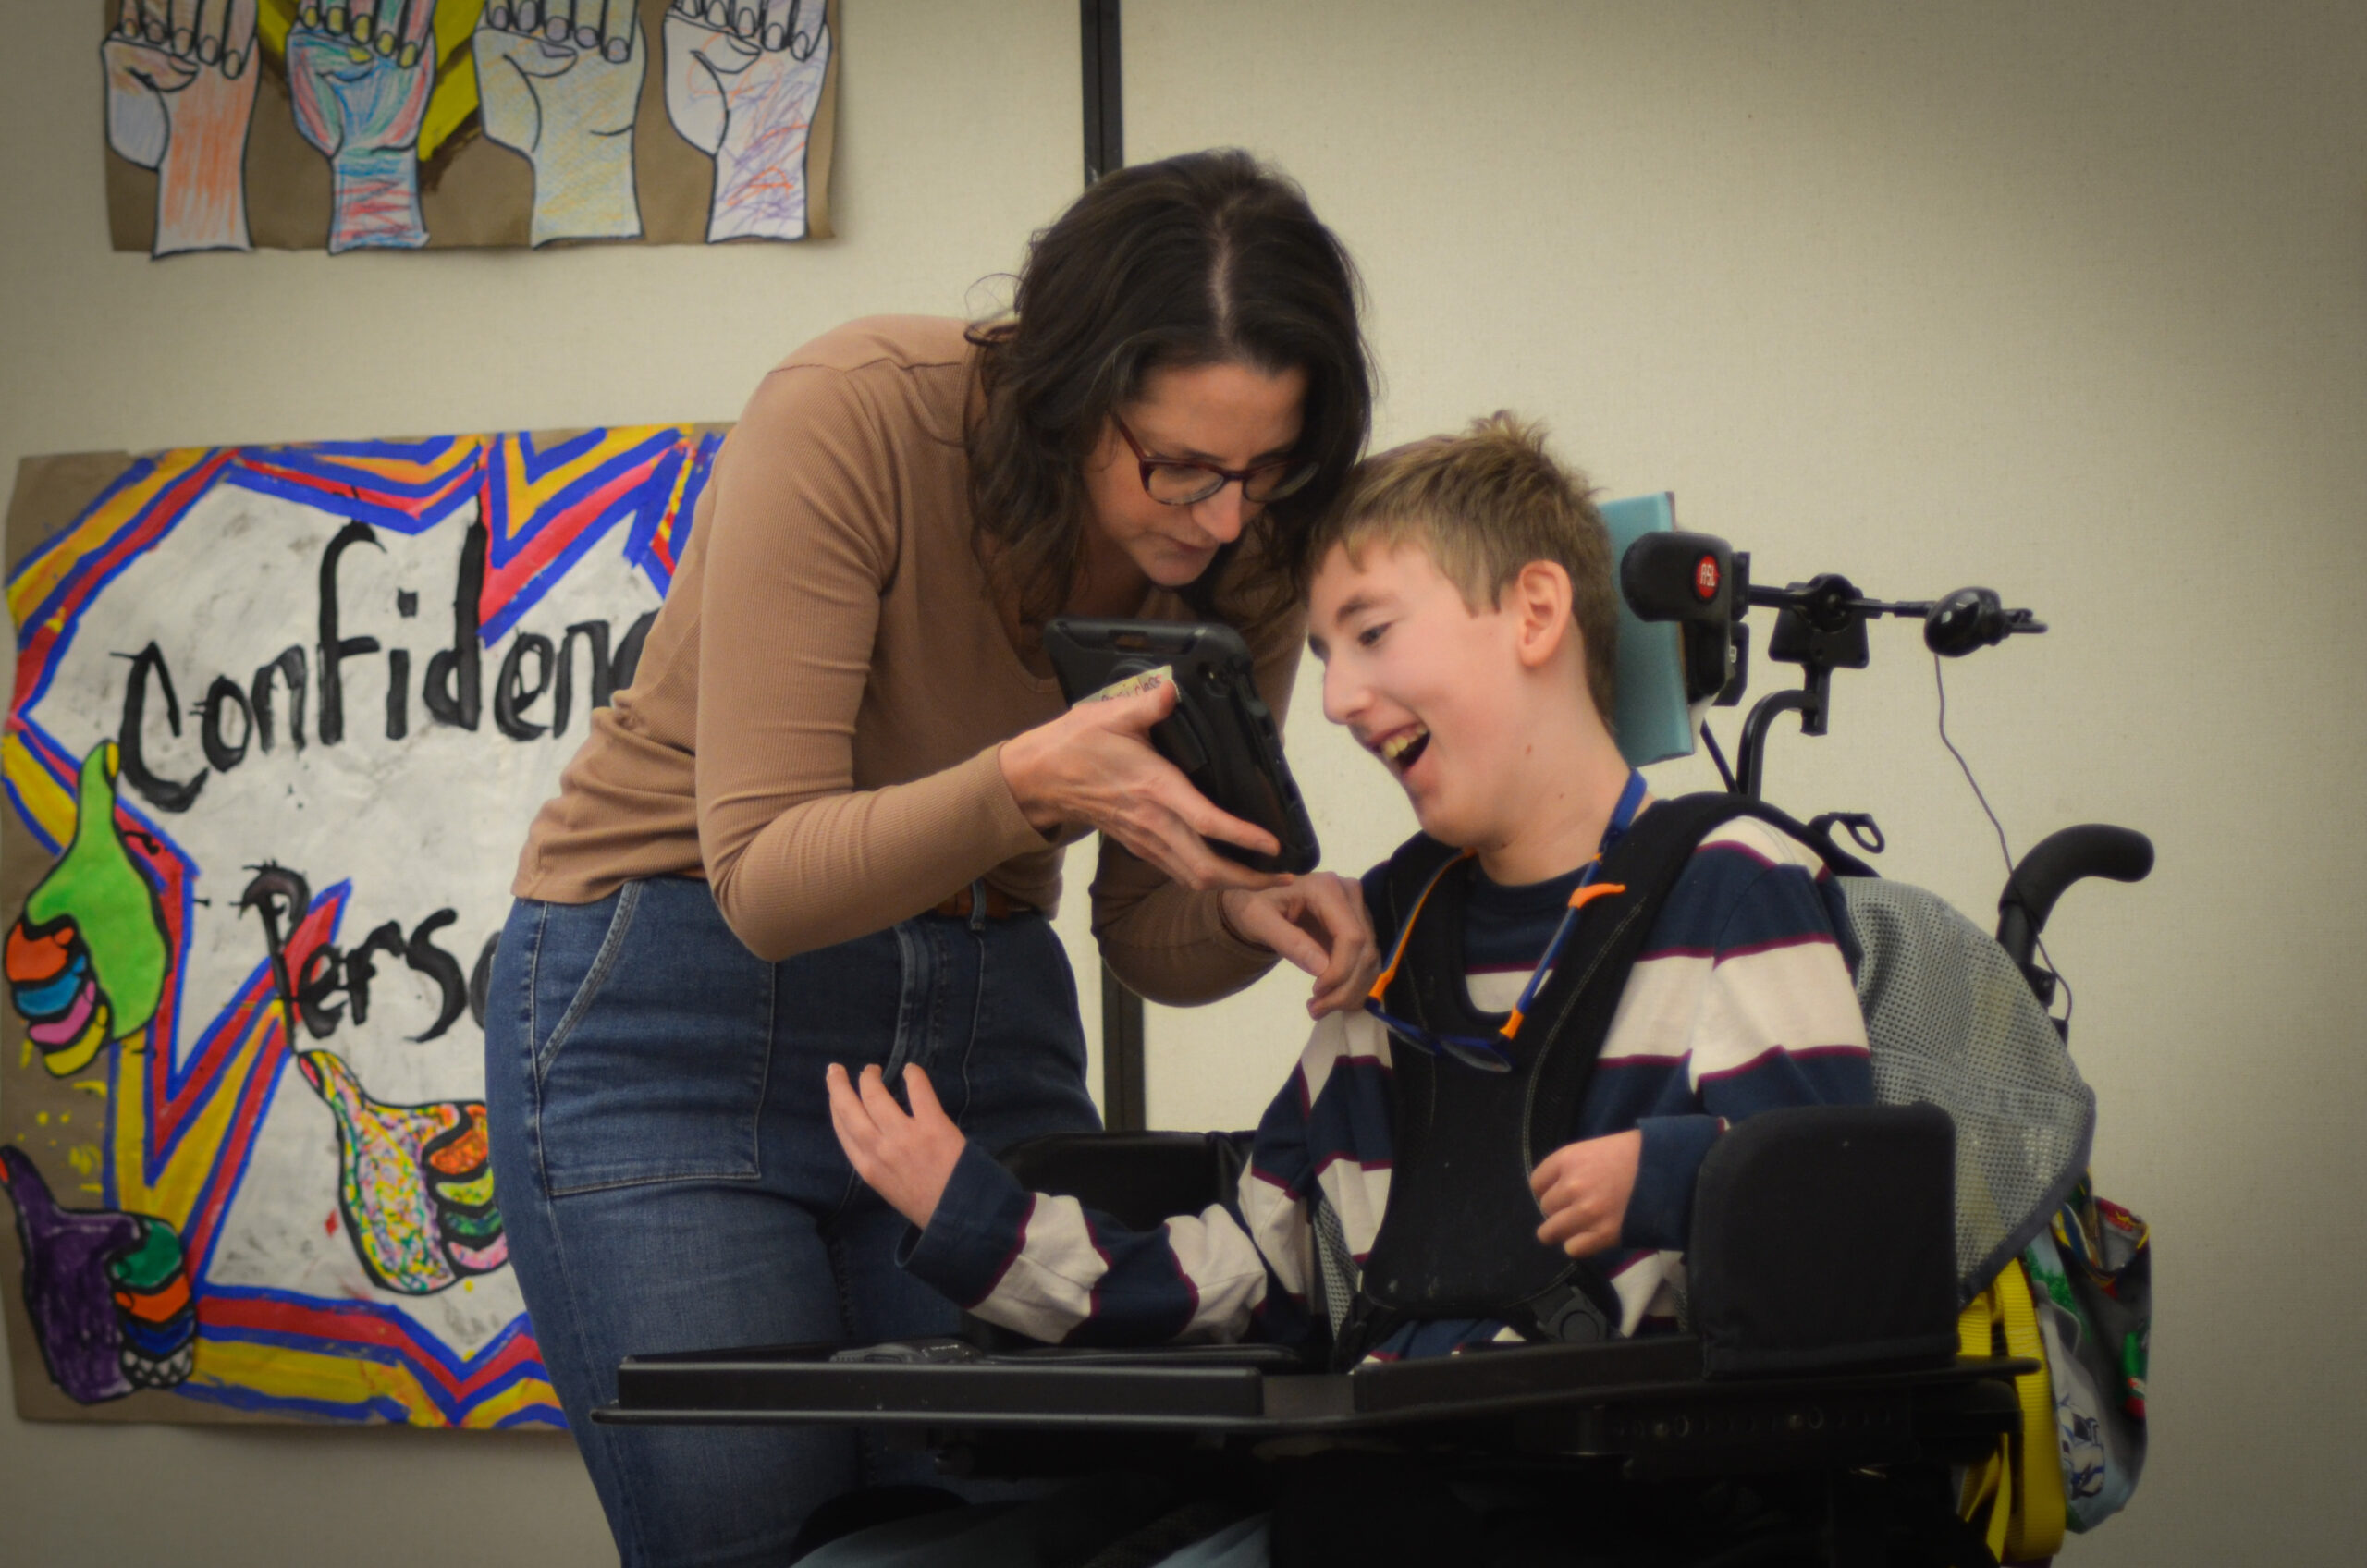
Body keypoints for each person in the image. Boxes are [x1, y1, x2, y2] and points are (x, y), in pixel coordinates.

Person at [482, 150, 1380, 1568]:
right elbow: (768, 880)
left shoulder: (1247, 541)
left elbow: (1147, 937)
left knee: (1018, 1534)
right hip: (677, 1011)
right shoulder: (859, 417)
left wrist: (1248, 908)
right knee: (760, 1543)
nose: (1221, 521)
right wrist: (1030, 780)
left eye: (1268, 472)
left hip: (980, 1021)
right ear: (1067, 392)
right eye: (1182, 466)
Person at [815, 415, 1876, 1565]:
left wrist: (1673, 1176)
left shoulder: (1734, 886)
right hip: (1369, 1489)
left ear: (1533, 611)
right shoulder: (1392, 933)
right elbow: (1255, 1276)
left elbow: (1833, 1219)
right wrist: (979, 1219)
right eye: (1326, 658)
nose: (1333, 700)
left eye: (1371, 634)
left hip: (1588, 1499)